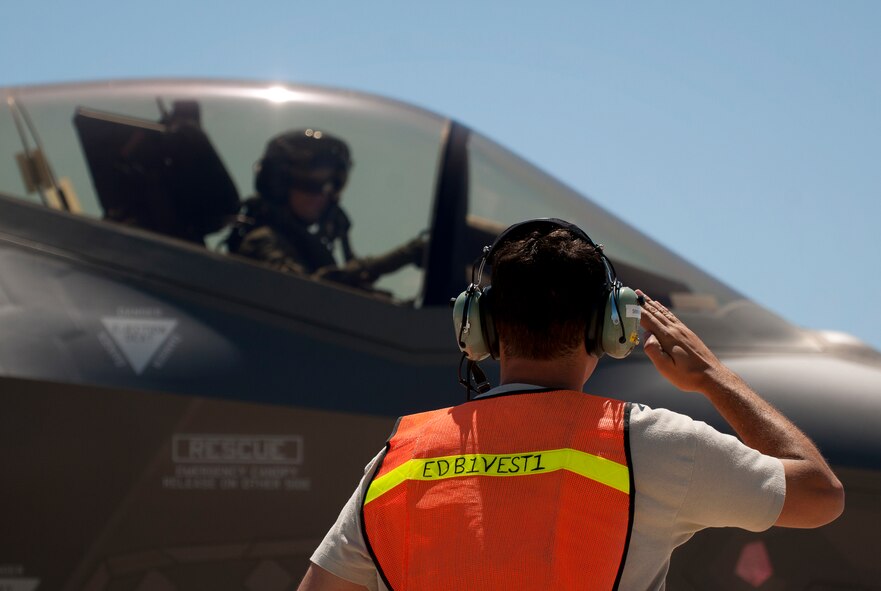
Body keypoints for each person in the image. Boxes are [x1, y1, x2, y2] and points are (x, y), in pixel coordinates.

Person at [297, 218, 844, 590]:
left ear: (481, 328)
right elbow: (820, 495)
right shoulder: (649, 447)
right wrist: (712, 376)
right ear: (608, 329)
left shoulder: (399, 460)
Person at [226, 129, 424, 291]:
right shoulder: (262, 241)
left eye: (332, 185)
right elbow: (309, 293)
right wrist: (403, 255)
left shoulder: (307, 249)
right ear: (278, 183)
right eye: (312, 182)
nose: (322, 194)